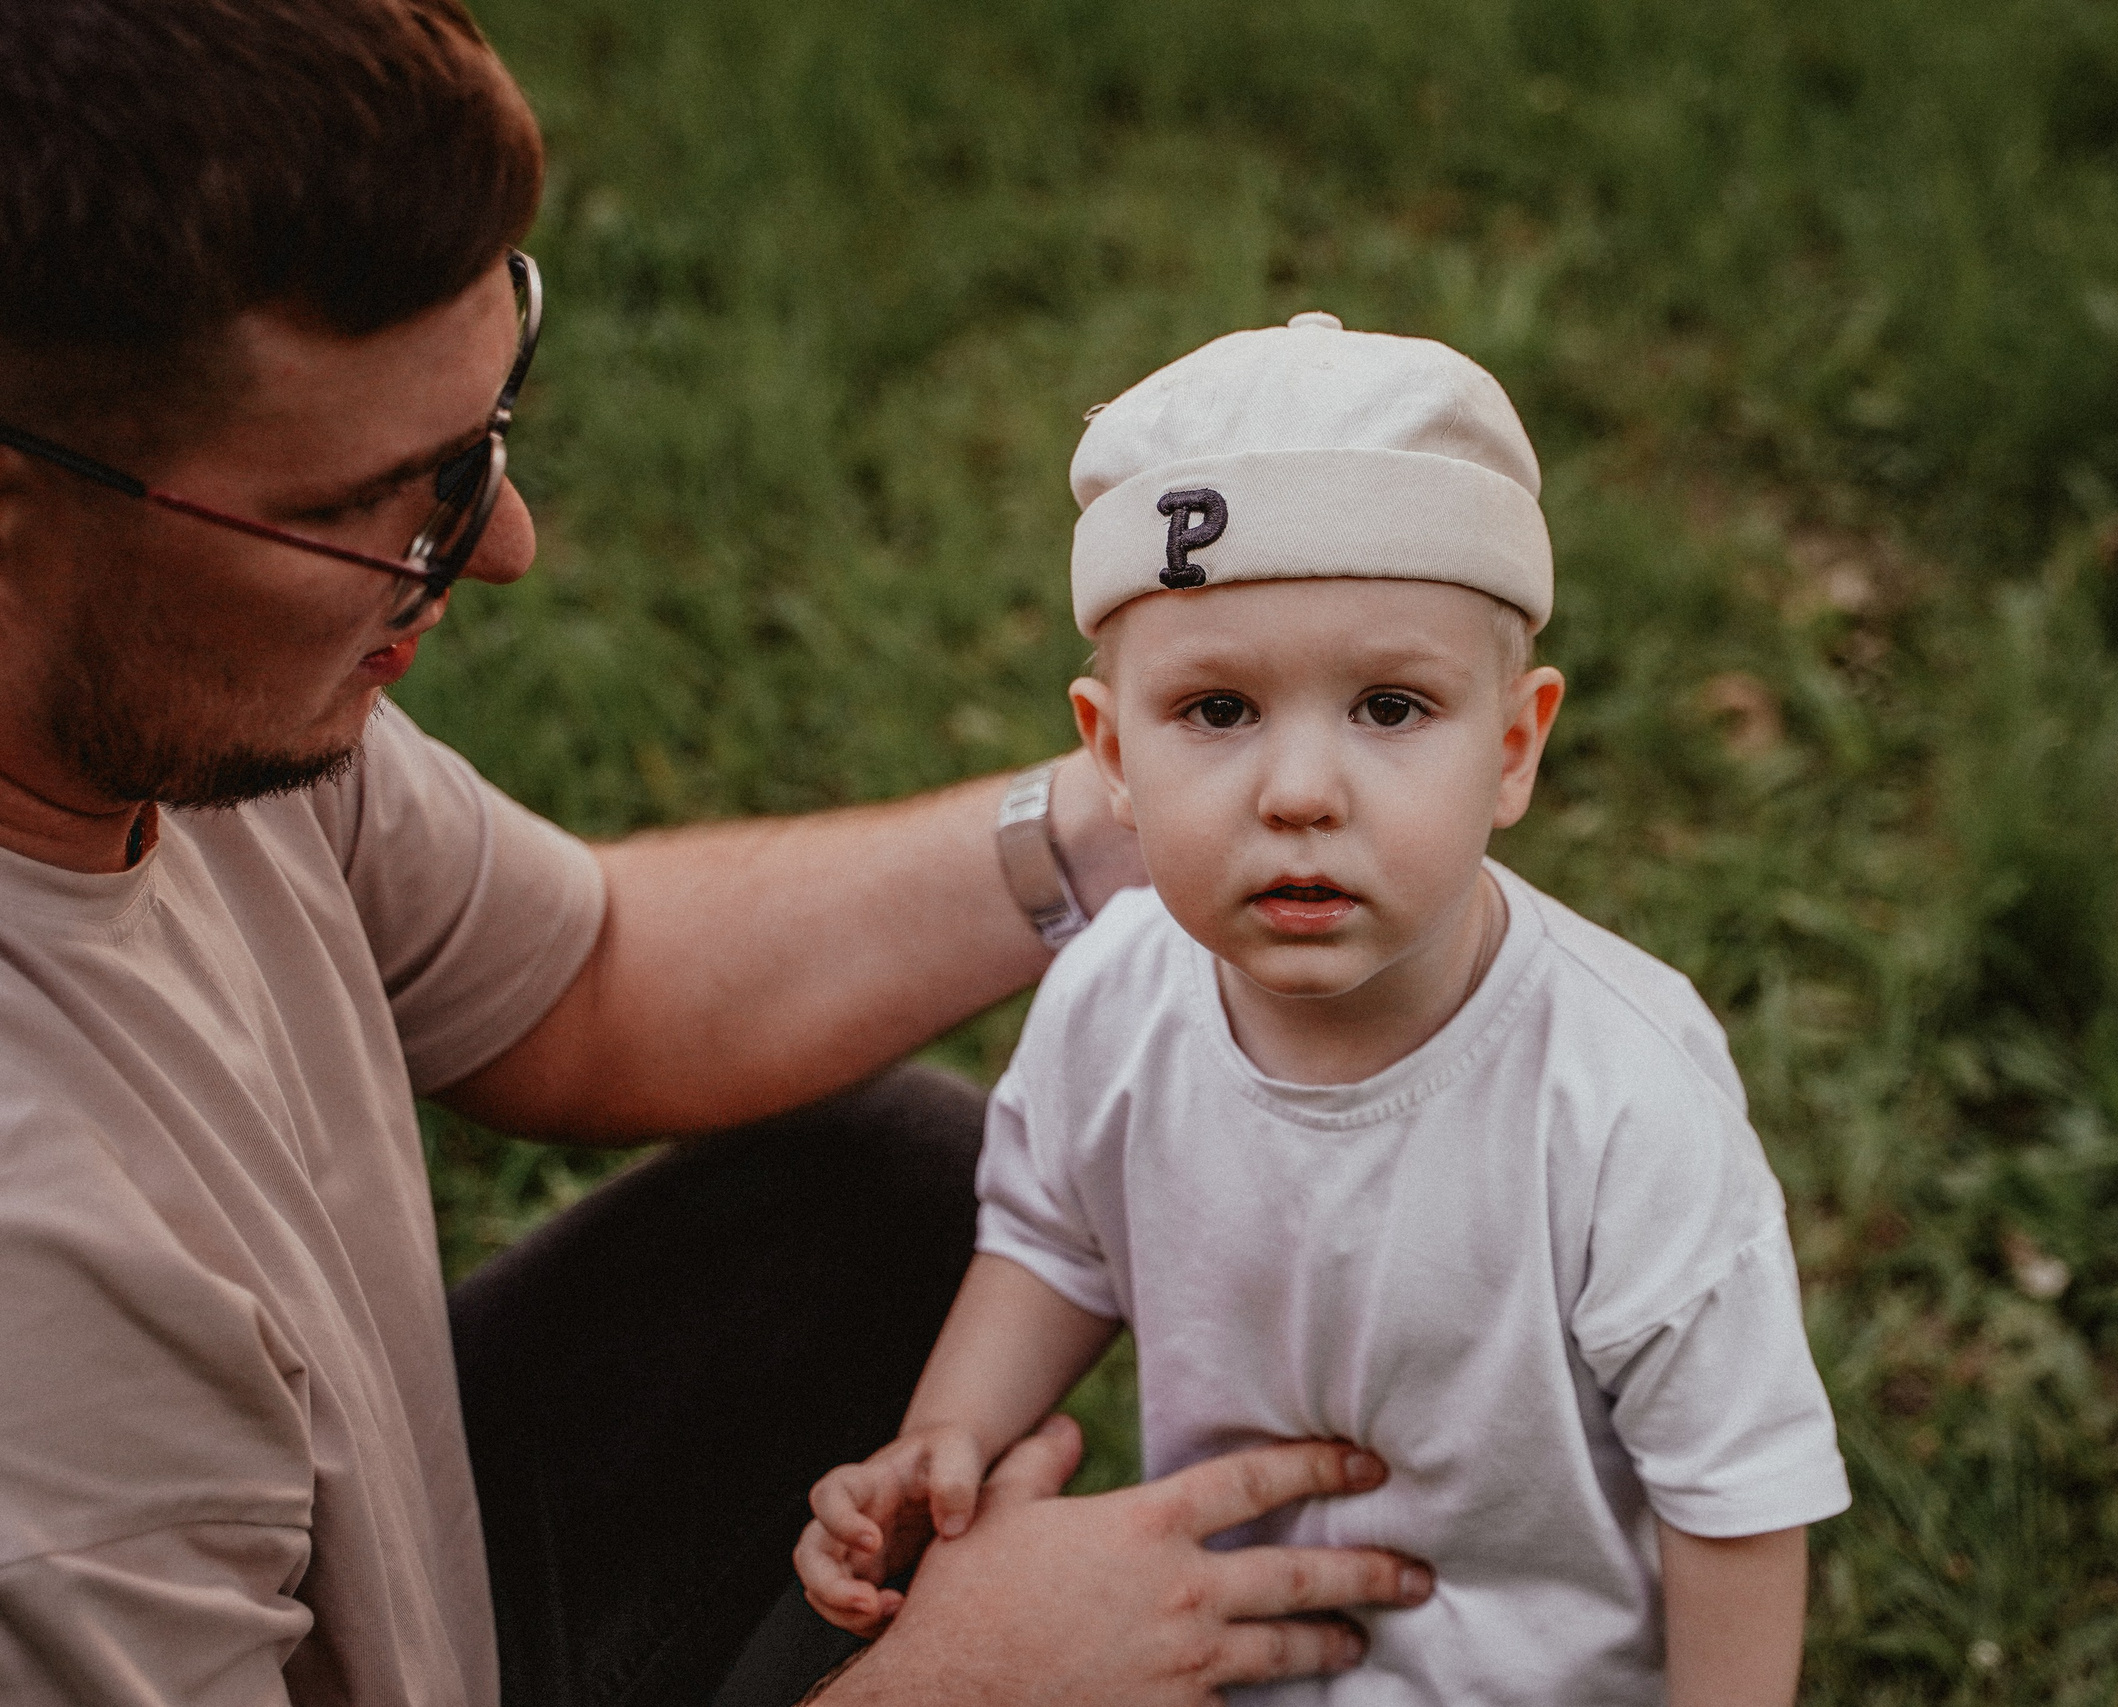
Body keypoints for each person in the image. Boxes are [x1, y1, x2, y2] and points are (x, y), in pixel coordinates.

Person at [0, 4, 1438, 1705]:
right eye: (379, 498)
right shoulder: (47, 1316)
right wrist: (952, 1687)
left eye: (485, 436)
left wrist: (1146, 811)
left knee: (881, 1187)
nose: (501, 545)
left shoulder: (168, 715)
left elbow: (586, 979)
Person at [792, 318, 1851, 1702]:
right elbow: (1056, 1238)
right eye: (1218, 710)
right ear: (1110, 752)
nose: (1300, 790)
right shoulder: (1115, 995)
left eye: (1391, 707)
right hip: (1214, 1663)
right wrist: (948, 1432)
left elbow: (1738, 1489)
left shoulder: (1620, 1100)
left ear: (1515, 745)